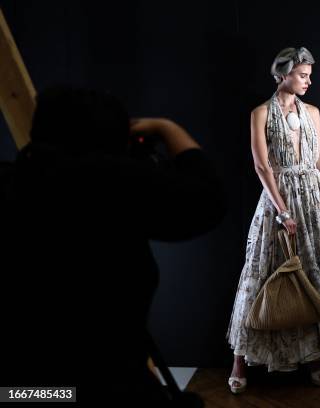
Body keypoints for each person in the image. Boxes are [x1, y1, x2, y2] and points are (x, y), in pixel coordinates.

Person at [0, 87, 225, 405]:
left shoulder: (17, 180)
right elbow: (208, 200)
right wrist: (166, 128)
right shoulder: (109, 183)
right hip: (106, 386)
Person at [226, 47, 320, 393]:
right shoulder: (260, 114)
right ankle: (241, 360)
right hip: (278, 198)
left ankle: (311, 354)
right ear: (282, 74)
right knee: (265, 273)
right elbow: (262, 166)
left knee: (310, 273)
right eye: (302, 74)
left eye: (309, 75)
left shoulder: (312, 112)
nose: (308, 81)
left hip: (312, 200)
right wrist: (282, 210)